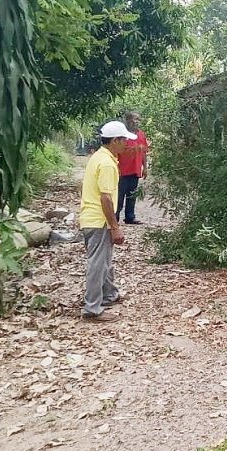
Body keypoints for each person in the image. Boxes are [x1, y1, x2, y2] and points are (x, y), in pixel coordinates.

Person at [79, 120, 135, 322]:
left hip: (91, 217)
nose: (126, 144)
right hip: (98, 220)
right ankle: (92, 308)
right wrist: (114, 226)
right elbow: (105, 197)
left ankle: (110, 294)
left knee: (105, 260)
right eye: (123, 140)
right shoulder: (107, 164)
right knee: (98, 264)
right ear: (115, 141)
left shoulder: (99, 157)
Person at [116, 110, 149, 226]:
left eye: (138, 119)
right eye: (134, 119)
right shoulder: (122, 135)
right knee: (119, 196)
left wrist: (145, 167)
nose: (136, 122)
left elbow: (144, 152)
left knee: (132, 195)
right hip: (122, 171)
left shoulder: (141, 134)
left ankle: (130, 217)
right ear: (128, 121)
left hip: (135, 170)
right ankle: (115, 218)